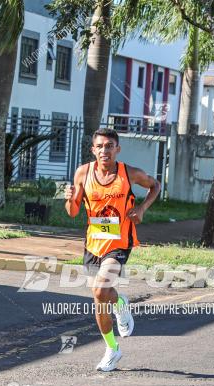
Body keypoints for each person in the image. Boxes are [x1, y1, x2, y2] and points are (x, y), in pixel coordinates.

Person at [63, 128, 161, 372]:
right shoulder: (83, 173)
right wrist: (69, 198)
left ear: (117, 149)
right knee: (104, 295)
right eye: (100, 146)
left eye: (109, 146)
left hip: (120, 241)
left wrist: (142, 209)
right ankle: (119, 307)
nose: (104, 150)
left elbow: (155, 185)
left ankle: (111, 351)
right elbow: (73, 212)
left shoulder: (130, 173)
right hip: (93, 242)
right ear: (93, 150)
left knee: (99, 291)